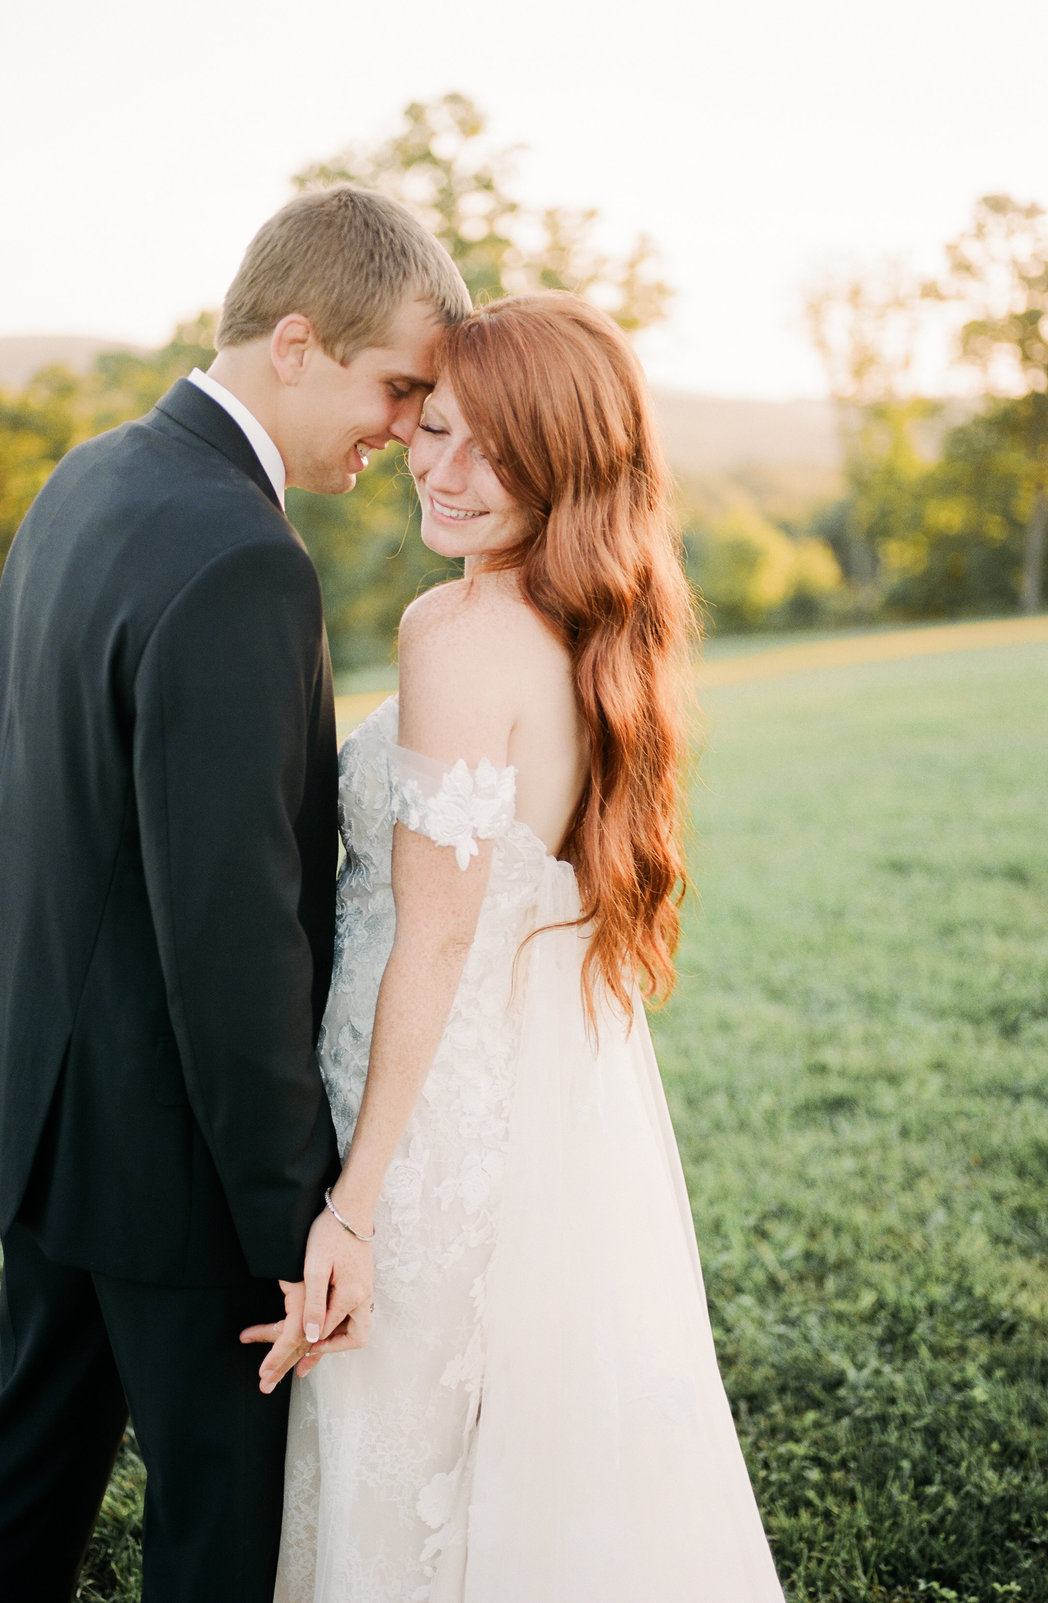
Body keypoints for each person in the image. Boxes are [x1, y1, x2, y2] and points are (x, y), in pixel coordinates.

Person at [0, 185, 471, 1602]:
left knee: (30, 1453)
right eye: (396, 385)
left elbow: (33, 814)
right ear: (298, 340)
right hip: (168, 1166)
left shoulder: (88, 475)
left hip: (42, 1112)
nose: (404, 428)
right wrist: (292, 1215)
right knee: (218, 1521)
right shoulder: (242, 558)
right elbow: (232, 941)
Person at [246, 292, 787, 1600]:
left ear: (565, 466)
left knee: (401, 1466)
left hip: (429, 1122)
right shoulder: (604, 628)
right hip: (544, 1106)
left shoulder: (459, 630)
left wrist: (353, 1209)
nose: (442, 470)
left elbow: (430, 952)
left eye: (495, 450)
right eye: (433, 427)